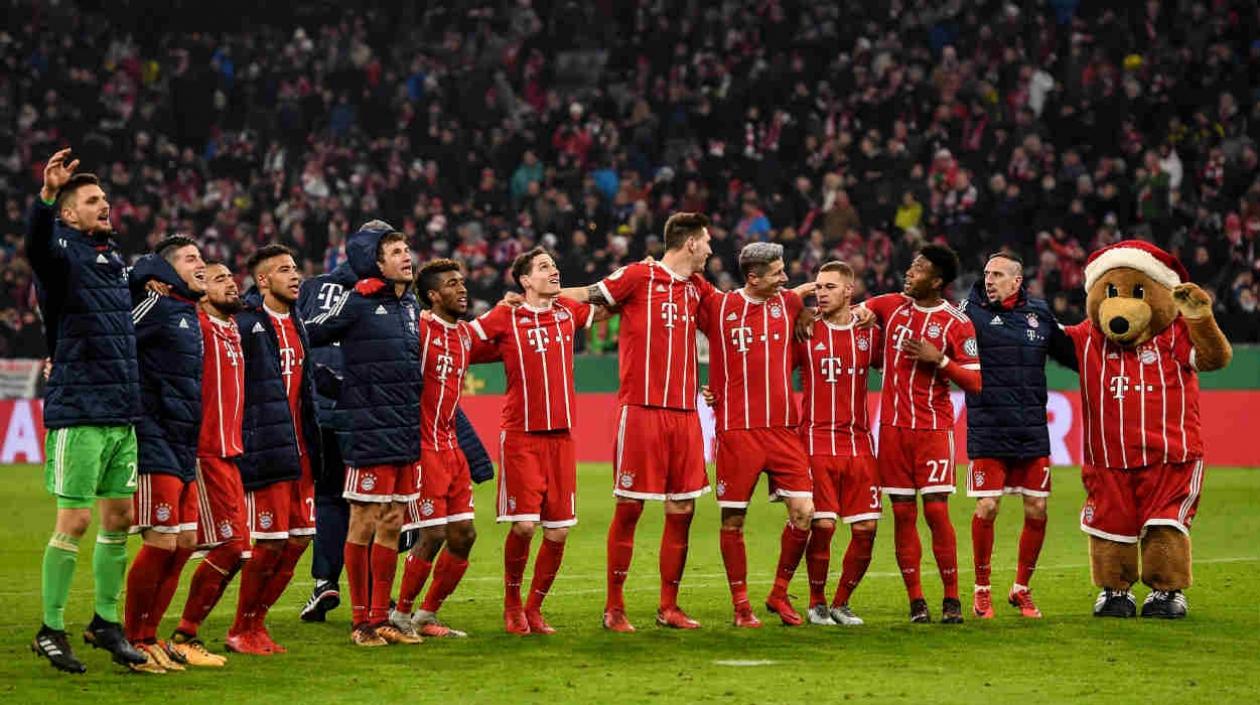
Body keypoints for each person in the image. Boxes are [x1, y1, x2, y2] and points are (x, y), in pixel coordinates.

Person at [558, 211, 715, 632]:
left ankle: (669, 606)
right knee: (630, 508)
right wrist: (542, 295)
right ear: (690, 243)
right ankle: (614, 608)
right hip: (642, 410)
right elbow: (589, 295)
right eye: (707, 241)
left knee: (683, 508)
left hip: (685, 414)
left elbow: (732, 317)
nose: (711, 249)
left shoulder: (698, 290)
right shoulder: (637, 276)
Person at [28, 148, 146, 673]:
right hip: (79, 408)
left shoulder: (113, 261)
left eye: (105, 199)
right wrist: (47, 197)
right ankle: (51, 629)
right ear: (69, 214)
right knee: (74, 520)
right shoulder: (61, 257)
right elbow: (36, 247)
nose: (105, 206)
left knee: (119, 518)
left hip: (121, 410)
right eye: (92, 200)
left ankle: (105, 621)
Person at [303, 221, 423, 647]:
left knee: (393, 520)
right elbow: (308, 334)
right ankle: (360, 622)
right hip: (368, 428)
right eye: (395, 252)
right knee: (364, 519)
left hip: (404, 430)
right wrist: (331, 382)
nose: (406, 256)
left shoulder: (410, 306)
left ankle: (381, 617)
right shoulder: (357, 301)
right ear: (375, 262)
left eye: (407, 249)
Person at [469, 247, 599, 635]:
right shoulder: (506, 315)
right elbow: (466, 338)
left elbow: (602, 303)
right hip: (521, 436)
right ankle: (511, 606)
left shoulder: (567, 313)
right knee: (524, 526)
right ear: (525, 280)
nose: (554, 270)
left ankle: (534, 608)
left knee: (557, 531)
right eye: (544, 267)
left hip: (562, 437)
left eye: (555, 265)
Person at [856, 244, 982, 624]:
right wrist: (860, 315)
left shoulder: (957, 323)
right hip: (893, 431)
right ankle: (916, 602)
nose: (910, 272)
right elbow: (860, 311)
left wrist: (939, 359)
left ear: (938, 281)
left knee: (937, 512)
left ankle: (951, 599)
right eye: (911, 266)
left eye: (919, 268)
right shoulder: (890, 306)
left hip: (932, 429)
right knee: (903, 514)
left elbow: (975, 381)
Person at [696, 242, 815, 628]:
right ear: (754, 276)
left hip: (783, 430)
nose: (785, 278)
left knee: (805, 513)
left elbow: (806, 298)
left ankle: (778, 594)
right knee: (733, 521)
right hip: (737, 430)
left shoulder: (790, 304)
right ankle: (741, 605)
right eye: (777, 272)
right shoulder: (719, 306)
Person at [961, 252, 1076, 619]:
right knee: (988, 506)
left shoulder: (1039, 313)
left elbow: (1071, 354)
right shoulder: (969, 311)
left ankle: (1021, 589)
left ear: (1016, 281)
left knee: (1038, 508)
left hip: (1030, 430)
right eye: (986, 273)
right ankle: (982, 591)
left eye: (997, 274)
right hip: (989, 426)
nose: (989, 280)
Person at [389, 259, 497, 639]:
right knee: (431, 532)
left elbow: (494, 331)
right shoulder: (418, 328)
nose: (462, 289)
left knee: (464, 534)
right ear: (433, 296)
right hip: (422, 447)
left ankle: (426, 614)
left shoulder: (465, 335)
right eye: (452, 284)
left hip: (453, 448)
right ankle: (399, 615)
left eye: (462, 282)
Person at [228, 244, 323, 653]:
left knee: (299, 540)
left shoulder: (297, 322)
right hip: (266, 448)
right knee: (267, 543)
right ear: (263, 280)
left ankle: (257, 622)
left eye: (296, 267)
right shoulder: (246, 323)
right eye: (285, 269)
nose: (296, 275)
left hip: (301, 451)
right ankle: (239, 627)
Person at [124, 236, 208, 671]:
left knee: (185, 543)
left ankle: (151, 635)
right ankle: (133, 638)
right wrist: (142, 275)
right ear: (168, 268)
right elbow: (113, 330)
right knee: (161, 541)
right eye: (191, 258)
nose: (202, 264)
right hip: (153, 434)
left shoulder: (187, 313)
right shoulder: (154, 305)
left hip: (183, 439)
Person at [795, 261, 883, 626]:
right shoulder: (804, 330)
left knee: (866, 528)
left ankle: (841, 602)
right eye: (818, 286)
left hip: (859, 442)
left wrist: (873, 316)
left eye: (830, 286)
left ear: (850, 291)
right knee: (825, 525)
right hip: (816, 440)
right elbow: (766, 367)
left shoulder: (869, 334)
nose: (821, 292)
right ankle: (816, 602)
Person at [165, 261, 245, 666]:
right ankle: (181, 634)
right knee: (225, 545)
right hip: (204, 450)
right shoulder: (196, 328)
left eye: (231, 277)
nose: (230, 283)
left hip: (230, 453)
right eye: (219, 279)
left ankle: (180, 633)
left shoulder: (233, 329)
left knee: (237, 548)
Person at [296, 258, 357, 622]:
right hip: (363, 415)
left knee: (329, 497)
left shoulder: (310, 288)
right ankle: (376, 595)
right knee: (375, 503)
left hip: (318, 410)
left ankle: (324, 581)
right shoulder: (378, 294)